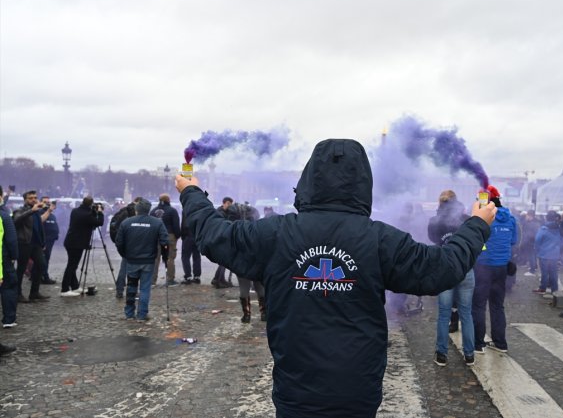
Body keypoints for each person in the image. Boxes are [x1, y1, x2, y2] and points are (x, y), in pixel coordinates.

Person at [176, 139, 495, 418]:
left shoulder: (276, 233)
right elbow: (443, 267)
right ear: (363, 184)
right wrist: (477, 224)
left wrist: (191, 192)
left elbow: (214, 235)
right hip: (357, 391)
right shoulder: (379, 239)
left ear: (307, 181)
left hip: (296, 391)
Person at [428, 190, 476, 366]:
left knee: (443, 314)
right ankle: (469, 354)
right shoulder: (465, 219)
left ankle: (442, 354)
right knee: (466, 313)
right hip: (466, 269)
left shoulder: (435, 221)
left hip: (445, 268)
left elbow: (432, 239)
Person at [472, 185, 517, 354]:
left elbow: (475, 239)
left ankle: (478, 344)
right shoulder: (510, 219)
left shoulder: (483, 217)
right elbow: (513, 241)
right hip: (502, 267)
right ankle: (500, 343)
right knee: (498, 305)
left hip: (483, 265)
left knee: (478, 305)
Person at [115, 198, 168, 321]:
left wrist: (125, 254)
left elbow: (119, 242)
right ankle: (142, 315)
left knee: (131, 286)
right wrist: (165, 256)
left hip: (132, 260)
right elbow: (165, 241)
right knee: (145, 288)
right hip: (148, 261)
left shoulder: (127, 223)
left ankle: (129, 314)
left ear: (137, 209)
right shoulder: (157, 223)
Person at [60, 197, 105, 297]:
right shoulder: (87, 215)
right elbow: (99, 223)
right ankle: (64, 289)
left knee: (73, 265)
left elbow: (87, 222)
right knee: (71, 266)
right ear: (90, 204)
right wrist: (100, 212)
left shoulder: (75, 211)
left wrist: (92, 211)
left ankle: (75, 286)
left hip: (70, 242)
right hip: (77, 244)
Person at [12, 190, 50, 303]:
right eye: (30, 198)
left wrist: (42, 242)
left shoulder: (37, 211)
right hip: (24, 243)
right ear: (25, 200)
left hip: (36, 244)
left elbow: (39, 227)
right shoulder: (20, 210)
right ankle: (17, 294)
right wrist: (31, 211)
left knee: (41, 264)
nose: (34, 199)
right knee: (21, 269)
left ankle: (34, 293)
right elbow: (16, 220)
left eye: (35, 197)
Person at [109, 199, 139, 298]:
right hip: (134, 243)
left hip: (124, 244)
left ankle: (119, 290)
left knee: (124, 267)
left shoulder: (122, 212)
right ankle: (132, 290)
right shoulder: (135, 213)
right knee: (135, 269)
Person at [0, 187, 18, 354]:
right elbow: (11, 240)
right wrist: (14, 256)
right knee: (10, 286)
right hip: (3, 261)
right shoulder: (4, 216)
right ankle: (9, 318)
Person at [150, 194, 181, 287]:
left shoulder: (153, 211)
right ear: (168, 200)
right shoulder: (172, 211)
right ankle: (170, 280)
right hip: (169, 236)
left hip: (156, 236)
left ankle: (152, 281)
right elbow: (176, 225)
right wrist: (177, 236)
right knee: (170, 258)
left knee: (155, 259)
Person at [533, 210, 562, 294]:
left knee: (544, 273)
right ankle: (554, 290)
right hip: (555, 255)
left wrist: (537, 250)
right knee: (554, 273)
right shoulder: (559, 228)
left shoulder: (544, 228)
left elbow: (537, 240)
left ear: (546, 218)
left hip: (544, 255)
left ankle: (543, 288)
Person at [212, 197, 236, 289]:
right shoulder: (220, 212)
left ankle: (218, 279)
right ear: (224, 203)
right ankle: (219, 280)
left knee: (223, 261)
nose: (230, 206)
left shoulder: (225, 212)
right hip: (220, 238)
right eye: (229, 204)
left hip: (222, 238)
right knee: (224, 260)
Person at [39, 196, 59, 285]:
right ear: (40, 202)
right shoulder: (40, 212)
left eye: (48, 202)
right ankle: (44, 277)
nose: (47, 203)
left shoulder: (52, 215)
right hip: (44, 240)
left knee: (46, 259)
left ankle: (38, 276)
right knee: (44, 259)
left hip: (51, 240)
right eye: (45, 202)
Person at [180, 212, 201, 285]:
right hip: (197, 237)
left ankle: (188, 277)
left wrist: (183, 236)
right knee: (197, 256)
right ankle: (197, 277)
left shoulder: (186, 210)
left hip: (188, 236)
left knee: (185, 257)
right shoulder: (200, 210)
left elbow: (184, 225)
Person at [521, 210, 541, 275]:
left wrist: (525, 239)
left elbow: (528, 233)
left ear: (530, 215)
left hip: (530, 242)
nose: (526, 216)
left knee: (531, 256)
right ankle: (534, 267)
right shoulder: (537, 222)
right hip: (534, 242)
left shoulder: (530, 224)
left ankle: (532, 270)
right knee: (534, 255)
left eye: (527, 215)